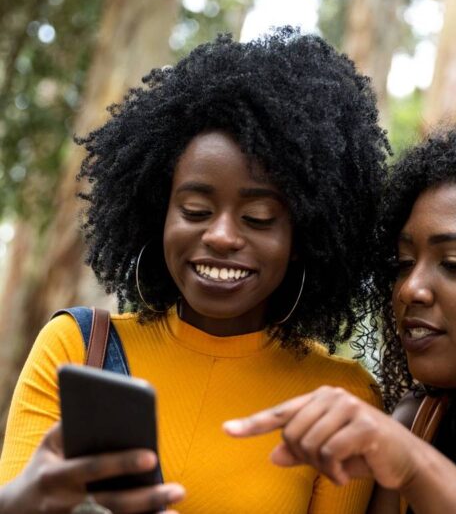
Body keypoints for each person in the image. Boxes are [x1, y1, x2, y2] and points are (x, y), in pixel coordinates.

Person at [0, 27, 389, 513]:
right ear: (158, 213)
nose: (222, 236)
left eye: (258, 218)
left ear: (303, 238)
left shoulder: (342, 398)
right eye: (196, 210)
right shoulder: (75, 348)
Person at [225, 121, 456, 513]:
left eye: (454, 264)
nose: (409, 289)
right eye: (403, 263)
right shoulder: (417, 420)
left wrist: (413, 467)